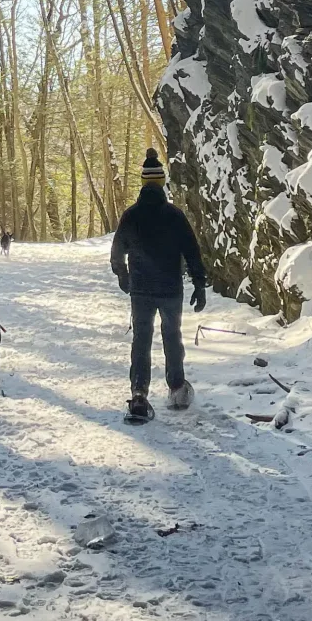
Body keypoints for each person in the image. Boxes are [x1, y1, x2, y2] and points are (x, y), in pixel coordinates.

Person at [109, 149, 206, 420]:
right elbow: (192, 251)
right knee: (172, 336)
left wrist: (123, 276)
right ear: (162, 183)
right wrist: (199, 283)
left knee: (141, 339)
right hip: (170, 289)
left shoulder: (131, 215)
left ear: (143, 184)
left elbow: (117, 252)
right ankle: (176, 388)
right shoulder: (174, 215)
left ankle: (139, 394)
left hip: (141, 289)